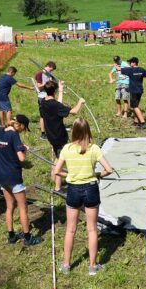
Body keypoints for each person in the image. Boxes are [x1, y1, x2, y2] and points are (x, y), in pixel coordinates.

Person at [51, 118, 113, 276]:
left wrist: (69, 174)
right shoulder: (94, 149)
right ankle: (93, 266)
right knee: (92, 229)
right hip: (91, 189)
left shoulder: (66, 149)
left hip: (73, 189)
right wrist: (98, 174)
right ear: (88, 131)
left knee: (70, 229)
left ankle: (66, 264)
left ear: (74, 131)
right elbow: (109, 170)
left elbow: (56, 171)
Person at [0, 115, 42, 246]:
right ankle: (27, 237)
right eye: (24, 128)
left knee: (9, 207)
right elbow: (21, 158)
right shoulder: (14, 136)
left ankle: (11, 236)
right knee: (23, 208)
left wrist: (19, 146)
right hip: (13, 176)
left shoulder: (0, 131)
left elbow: (7, 148)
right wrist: (24, 150)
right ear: (20, 125)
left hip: (1, 176)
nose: (23, 131)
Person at [39, 79, 86, 158]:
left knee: (59, 157)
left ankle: (55, 169)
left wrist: (61, 90)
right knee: (62, 158)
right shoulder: (56, 106)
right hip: (59, 136)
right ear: (55, 91)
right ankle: (55, 170)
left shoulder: (43, 101)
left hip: (50, 135)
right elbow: (74, 112)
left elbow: (57, 104)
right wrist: (80, 102)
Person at [120, 57, 146, 129]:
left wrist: (116, 66)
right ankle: (136, 122)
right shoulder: (141, 69)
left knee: (134, 107)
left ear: (134, 62)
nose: (129, 64)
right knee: (135, 106)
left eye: (130, 62)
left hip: (134, 91)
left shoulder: (130, 70)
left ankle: (143, 123)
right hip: (140, 91)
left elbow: (119, 69)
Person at [34, 61, 57, 140]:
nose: (51, 71)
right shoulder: (39, 74)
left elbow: (54, 84)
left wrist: (54, 82)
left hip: (50, 96)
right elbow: (39, 87)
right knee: (43, 116)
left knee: (51, 114)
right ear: (48, 66)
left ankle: (51, 130)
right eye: (51, 70)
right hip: (42, 97)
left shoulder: (50, 75)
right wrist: (47, 83)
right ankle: (43, 134)